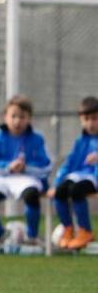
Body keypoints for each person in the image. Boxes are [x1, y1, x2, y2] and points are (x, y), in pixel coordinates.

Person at [0, 95, 50, 248]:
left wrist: (26, 167)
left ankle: (32, 236)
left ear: (29, 119)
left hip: (27, 177)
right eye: (13, 116)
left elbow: (46, 165)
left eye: (22, 117)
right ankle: (0, 235)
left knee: (32, 195)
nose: (17, 121)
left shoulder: (37, 139)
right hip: (2, 177)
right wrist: (8, 166)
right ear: (5, 117)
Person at [48, 95, 98, 251]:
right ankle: (68, 229)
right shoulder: (80, 141)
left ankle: (85, 230)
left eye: (95, 118)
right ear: (81, 120)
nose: (91, 123)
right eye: (87, 119)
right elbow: (69, 163)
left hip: (94, 178)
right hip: (79, 175)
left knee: (77, 191)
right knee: (61, 191)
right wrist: (56, 183)